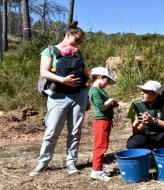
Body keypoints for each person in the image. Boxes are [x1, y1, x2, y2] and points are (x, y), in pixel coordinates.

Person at [30, 21, 88, 176]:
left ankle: (71, 163)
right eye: (77, 40)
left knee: (75, 131)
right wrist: (63, 80)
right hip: (58, 97)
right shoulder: (49, 51)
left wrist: (87, 91)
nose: (78, 44)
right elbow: (44, 72)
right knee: (52, 131)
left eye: (80, 41)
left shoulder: (76, 52)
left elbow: (84, 72)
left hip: (78, 96)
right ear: (68, 34)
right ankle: (42, 163)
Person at [127, 80, 164, 150]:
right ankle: (147, 153)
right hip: (145, 136)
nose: (142, 93)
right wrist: (138, 125)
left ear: (155, 94)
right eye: (142, 90)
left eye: (146, 91)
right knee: (132, 144)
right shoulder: (135, 105)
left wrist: (152, 120)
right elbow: (136, 131)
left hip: (163, 135)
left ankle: (162, 152)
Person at [88, 67, 118, 181]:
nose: (108, 84)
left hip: (105, 120)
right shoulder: (94, 91)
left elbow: (105, 104)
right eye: (107, 81)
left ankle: (98, 168)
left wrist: (113, 103)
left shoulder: (101, 91)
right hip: (101, 121)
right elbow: (101, 106)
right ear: (100, 77)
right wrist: (110, 101)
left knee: (102, 144)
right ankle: (96, 171)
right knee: (100, 146)